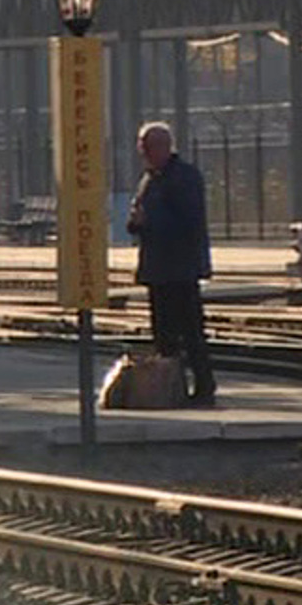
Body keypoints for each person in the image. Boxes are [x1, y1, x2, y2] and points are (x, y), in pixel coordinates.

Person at [127, 120, 216, 406]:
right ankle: (171, 388)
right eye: (141, 147)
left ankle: (204, 387)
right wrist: (137, 223)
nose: (143, 153)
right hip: (158, 269)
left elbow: (189, 222)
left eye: (147, 147)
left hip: (180, 268)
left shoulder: (183, 177)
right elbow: (138, 223)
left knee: (190, 332)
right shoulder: (150, 178)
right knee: (163, 335)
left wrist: (149, 221)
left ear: (164, 146)